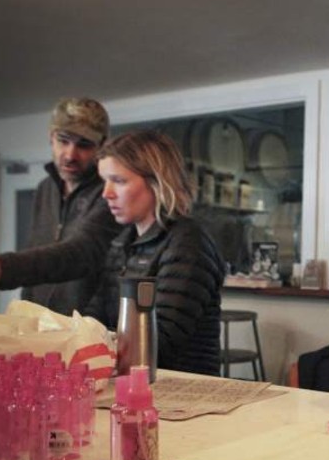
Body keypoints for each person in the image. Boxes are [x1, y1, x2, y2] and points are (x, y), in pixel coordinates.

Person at [0, 98, 122, 316]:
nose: (70, 154)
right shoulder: (45, 189)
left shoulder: (110, 192)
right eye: (63, 140)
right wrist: (24, 315)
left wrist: (3, 268)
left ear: (101, 146)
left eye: (84, 145)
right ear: (51, 137)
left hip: (86, 328)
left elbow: (81, 253)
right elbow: (36, 246)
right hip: (38, 325)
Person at [83, 130, 225, 376]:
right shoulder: (122, 242)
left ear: (157, 182)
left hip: (184, 393)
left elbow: (161, 345)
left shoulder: (188, 242)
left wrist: (97, 345)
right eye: (104, 180)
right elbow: (93, 321)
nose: (106, 193)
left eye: (118, 180)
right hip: (134, 383)